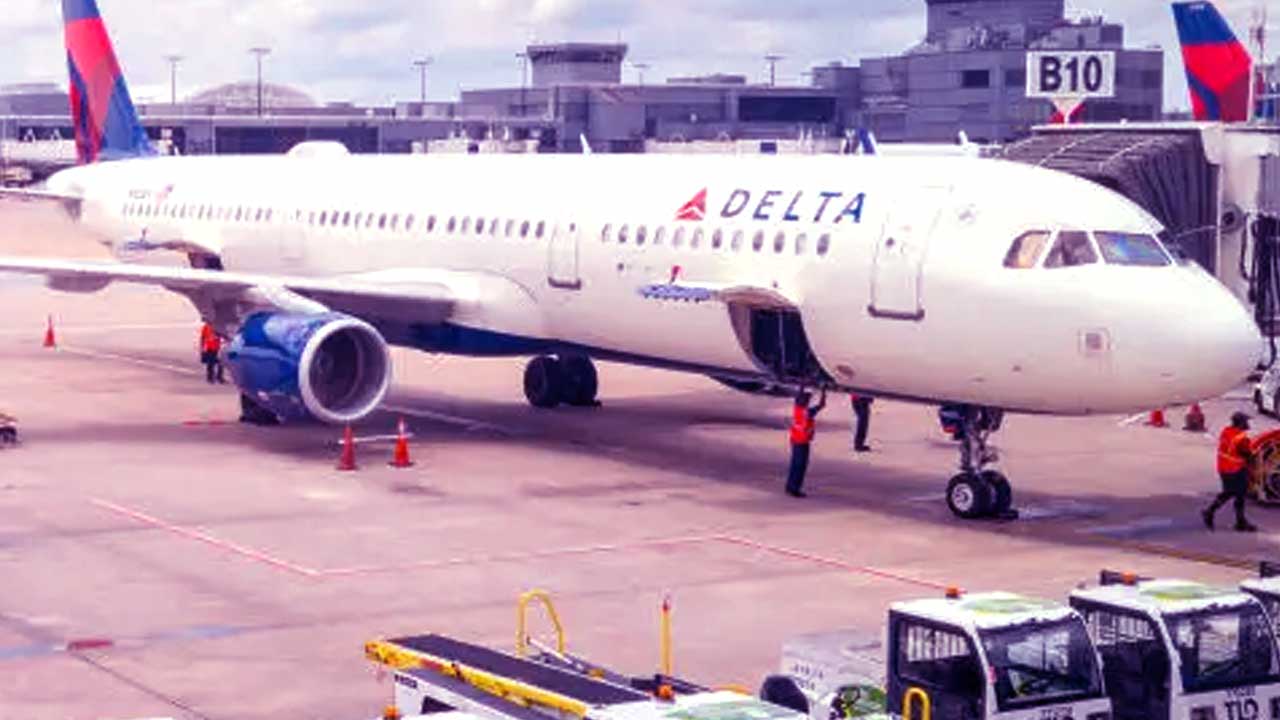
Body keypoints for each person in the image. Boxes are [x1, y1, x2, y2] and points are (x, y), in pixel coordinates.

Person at [1204, 411, 1258, 532]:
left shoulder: (1227, 431)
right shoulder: (1241, 438)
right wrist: (1253, 457)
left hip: (1223, 467)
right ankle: (1210, 511)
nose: (1247, 424)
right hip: (1235, 468)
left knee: (1235, 493)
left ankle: (1240, 521)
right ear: (1241, 423)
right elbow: (1246, 454)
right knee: (1234, 493)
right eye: (1246, 421)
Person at [785, 387, 827, 498]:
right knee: (800, 466)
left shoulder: (798, 409)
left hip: (796, 440)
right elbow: (821, 405)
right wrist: (823, 392)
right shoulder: (807, 412)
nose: (808, 401)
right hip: (802, 442)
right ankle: (794, 489)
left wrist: (802, 385)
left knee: (795, 465)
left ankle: (790, 487)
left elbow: (801, 397)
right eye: (807, 400)